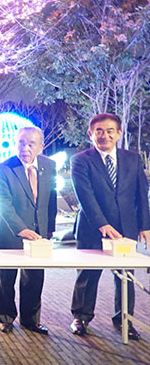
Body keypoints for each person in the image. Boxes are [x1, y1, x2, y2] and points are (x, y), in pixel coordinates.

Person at [69, 113, 150, 340]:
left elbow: (141, 193)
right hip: (91, 228)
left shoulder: (132, 159)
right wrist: (102, 223)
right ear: (91, 134)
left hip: (126, 228)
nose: (104, 135)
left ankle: (124, 319)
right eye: (99, 131)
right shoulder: (80, 160)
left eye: (110, 131)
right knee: (88, 274)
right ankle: (81, 317)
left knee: (125, 276)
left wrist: (144, 225)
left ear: (119, 133)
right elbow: (85, 196)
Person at [0, 127, 57, 335]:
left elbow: (51, 199)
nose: (25, 148)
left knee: (34, 278)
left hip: (38, 234)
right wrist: (22, 229)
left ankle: (31, 320)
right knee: (5, 279)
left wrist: (49, 229)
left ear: (40, 147)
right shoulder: (3, 169)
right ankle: (6, 318)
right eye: (21, 143)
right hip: (8, 232)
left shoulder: (49, 166)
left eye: (30, 144)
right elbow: (3, 204)